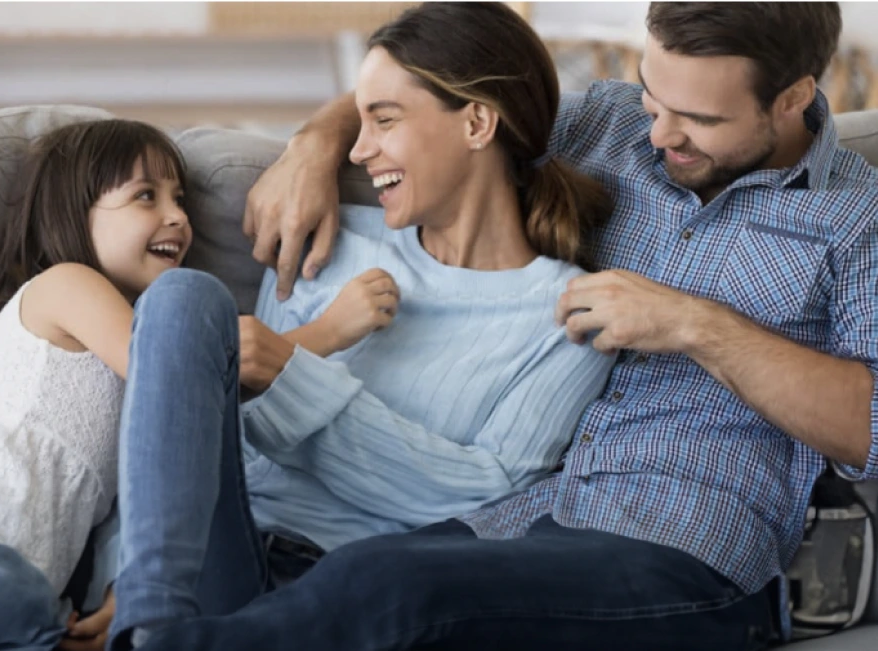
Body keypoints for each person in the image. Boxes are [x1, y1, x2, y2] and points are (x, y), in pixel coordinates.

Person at [166, 1, 873, 650]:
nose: (658, 134)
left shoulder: (855, 219)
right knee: (351, 569)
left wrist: (696, 325)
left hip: (682, 545)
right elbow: (443, 91)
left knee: (383, 589)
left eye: (699, 121)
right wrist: (313, 144)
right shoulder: (607, 122)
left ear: (792, 98)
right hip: (514, 518)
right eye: (652, 95)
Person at [106, 2, 616, 648]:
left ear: (479, 122)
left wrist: (292, 375)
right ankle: (149, 625)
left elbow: (478, 498)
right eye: (359, 119)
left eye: (385, 119)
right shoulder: (328, 238)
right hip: (220, 559)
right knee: (183, 297)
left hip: (348, 597)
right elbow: (204, 440)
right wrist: (118, 564)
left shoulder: (569, 312)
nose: (358, 148)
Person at [0, 119, 192, 650]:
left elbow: (130, 505)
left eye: (180, 199)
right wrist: (320, 336)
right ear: (73, 215)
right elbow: (188, 378)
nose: (178, 217)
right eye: (146, 196)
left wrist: (123, 588)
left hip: (30, 598)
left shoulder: (124, 340)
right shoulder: (67, 285)